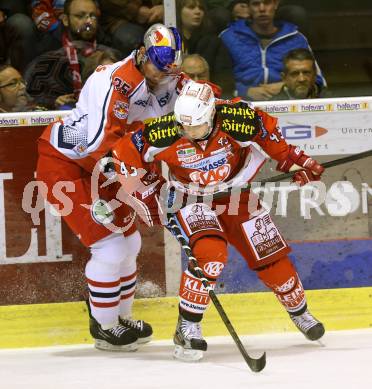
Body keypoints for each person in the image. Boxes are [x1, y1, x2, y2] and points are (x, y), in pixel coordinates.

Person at [111, 80, 325, 361]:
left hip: (237, 195)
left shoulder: (238, 119)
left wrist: (300, 166)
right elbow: (123, 155)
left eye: (196, 126)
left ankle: (300, 313)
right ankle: (188, 326)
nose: (188, 132)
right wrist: (152, 189)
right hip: (191, 199)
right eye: (183, 126)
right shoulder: (164, 130)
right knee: (210, 255)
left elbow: (275, 143)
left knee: (274, 260)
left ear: (211, 115)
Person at [36, 23, 185, 351]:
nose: (164, 77)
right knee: (110, 247)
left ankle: (119, 316)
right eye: (159, 69)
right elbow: (102, 144)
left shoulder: (165, 72)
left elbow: (196, 101)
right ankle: (104, 327)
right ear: (143, 54)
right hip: (67, 165)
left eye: (170, 70)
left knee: (129, 243)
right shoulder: (115, 82)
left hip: (103, 166)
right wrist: (143, 185)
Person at [220, 0, 326, 101]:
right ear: (249, 8)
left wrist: (287, 85)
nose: (262, 9)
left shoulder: (296, 38)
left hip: (287, 103)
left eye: (267, 3)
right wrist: (243, 91)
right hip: (240, 104)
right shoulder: (228, 36)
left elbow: (319, 82)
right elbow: (217, 79)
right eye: (256, 4)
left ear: (275, 4)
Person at [25, 0, 116, 109]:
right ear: (65, 20)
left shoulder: (110, 49)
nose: (88, 22)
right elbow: (30, 94)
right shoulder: (47, 51)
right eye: (80, 16)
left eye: (92, 16)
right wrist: (53, 101)